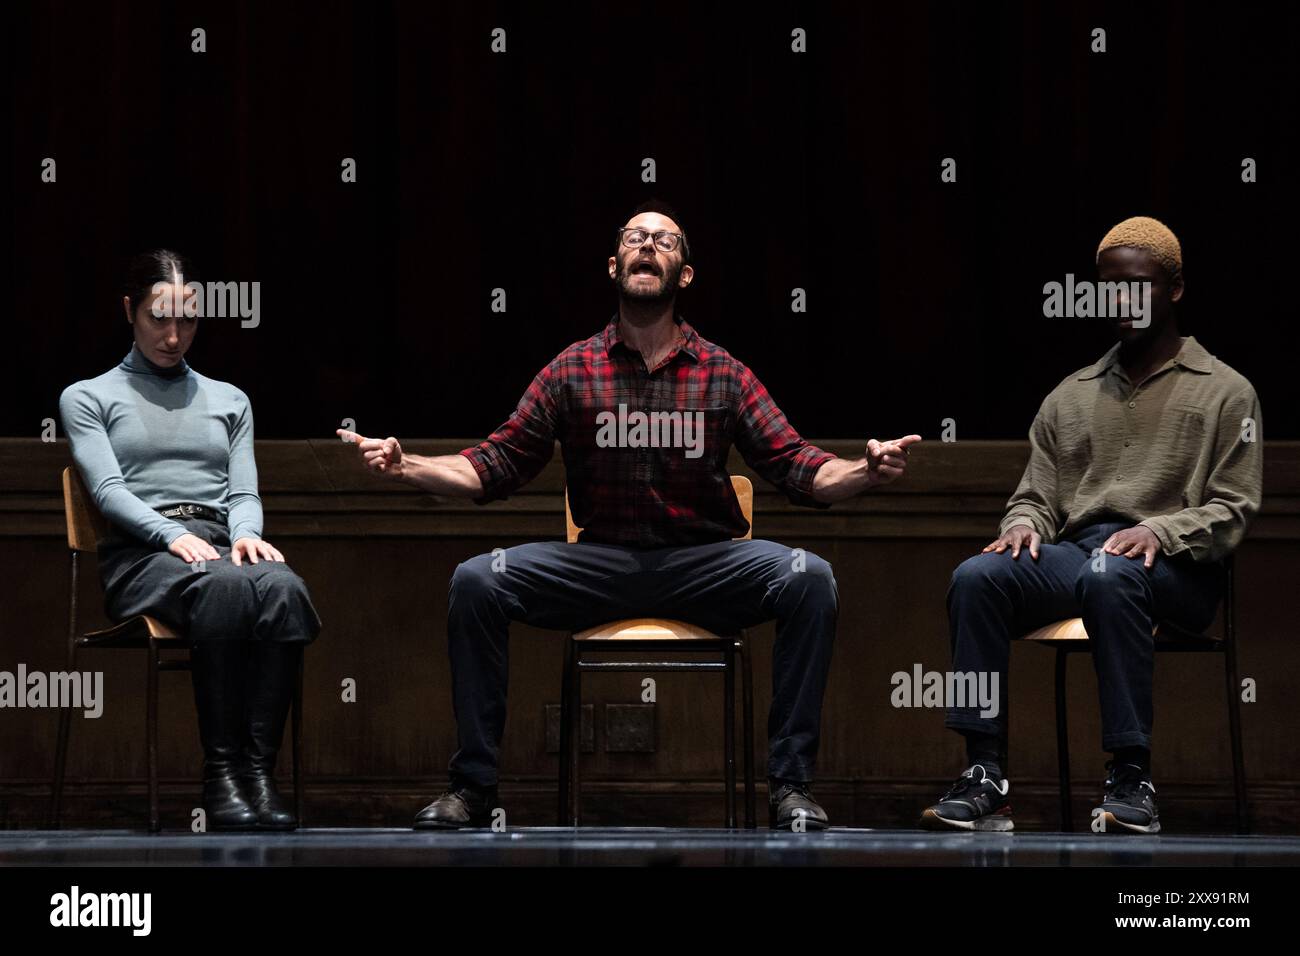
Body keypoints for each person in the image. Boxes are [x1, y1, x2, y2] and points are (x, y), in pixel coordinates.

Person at [340, 199, 921, 830]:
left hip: (705, 566)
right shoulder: (573, 369)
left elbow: (802, 466)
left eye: (664, 241)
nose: (647, 247)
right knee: (478, 579)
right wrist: (408, 467)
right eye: (634, 239)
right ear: (613, 264)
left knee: (810, 577)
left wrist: (864, 470)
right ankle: (473, 789)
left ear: (686, 274)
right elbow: (494, 463)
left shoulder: (722, 373)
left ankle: (789, 789)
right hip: (601, 566)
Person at [922, 216, 1262, 834]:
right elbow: (1036, 496)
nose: (1124, 302)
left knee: (1112, 575)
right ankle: (985, 774)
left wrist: (1159, 532)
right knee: (977, 577)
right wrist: (1024, 522)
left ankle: (1131, 776)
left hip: (1178, 567)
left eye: (1141, 286)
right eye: (1111, 289)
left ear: (1175, 289)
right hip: (1081, 554)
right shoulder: (1070, 395)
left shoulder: (1226, 392)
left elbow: (1233, 507)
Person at [60, 249, 321, 831]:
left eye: (188, 320)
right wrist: (172, 534)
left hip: (219, 546)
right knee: (226, 586)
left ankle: (258, 776)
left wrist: (248, 535)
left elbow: (243, 493)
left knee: (284, 589)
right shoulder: (87, 397)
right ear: (130, 311)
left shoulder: (231, 399)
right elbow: (106, 492)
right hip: (142, 553)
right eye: (159, 318)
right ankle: (221, 777)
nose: (174, 336)